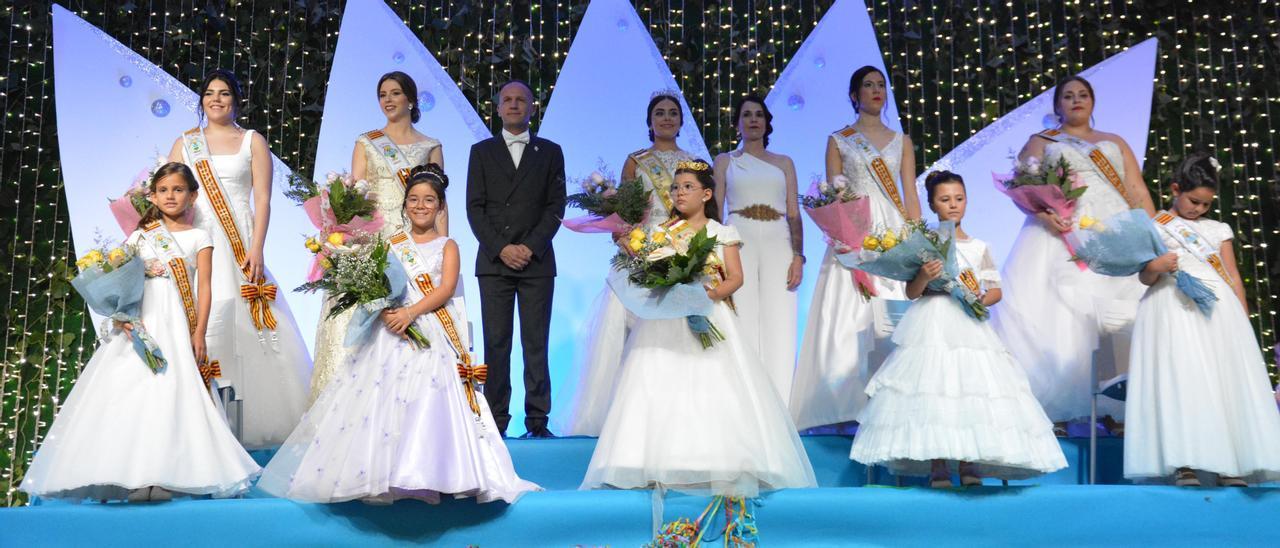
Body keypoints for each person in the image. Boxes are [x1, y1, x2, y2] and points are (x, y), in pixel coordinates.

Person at [259, 165, 539, 503]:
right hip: (390, 327)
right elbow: (383, 284)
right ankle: (379, 474)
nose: (421, 206)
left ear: (440, 206)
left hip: (429, 324)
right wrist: (388, 310)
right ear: (405, 205)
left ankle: (432, 473)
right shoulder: (390, 243)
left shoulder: (448, 245)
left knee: (427, 394)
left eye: (429, 200)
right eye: (414, 200)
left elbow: (446, 288)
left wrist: (410, 313)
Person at [20, 163, 259, 502]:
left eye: (178, 190)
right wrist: (119, 311)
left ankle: (164, 474)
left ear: (192, 195)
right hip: (139, 322)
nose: (170, 196)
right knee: (127, 388)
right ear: (153, 195)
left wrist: (200, 332)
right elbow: (122, 276)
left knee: (169, 389)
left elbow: (204, 287)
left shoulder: (199, 238)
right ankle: (125, 474)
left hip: (174, 321)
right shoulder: (138, 236)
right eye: (163, 190)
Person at [581, 160, 816, 497]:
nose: (679, 193)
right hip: (665, 319)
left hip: (709, 314)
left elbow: (736, 277)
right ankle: (645, 459)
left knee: (714, 384)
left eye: (688, 187)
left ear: (706, 194)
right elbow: (648, 272)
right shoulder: (661, 233)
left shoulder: (722, 232)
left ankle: (718, 458)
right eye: (675, 188)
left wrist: (708, 295)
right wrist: (632, 252)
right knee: (657, 381)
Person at [849, 171, 1066, 487]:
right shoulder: (925, 244)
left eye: (959, 198)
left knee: (971, 390)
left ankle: (970, 462)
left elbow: (995, 290)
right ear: (933, 205)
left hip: (968, 324)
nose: (953, 205)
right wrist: (924, 274)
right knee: (936, 391)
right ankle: (938, 463)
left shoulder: (979, 246)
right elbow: (912, 292)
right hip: (933, 322)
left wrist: (979, 296)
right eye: (945, 199)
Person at [990, 75, 1155, 433]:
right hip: (1061, 234)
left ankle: (1116, 409)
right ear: (1057, 106)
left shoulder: (1113, 142)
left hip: (1112, 232)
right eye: (1068, 96)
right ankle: (1057, 409)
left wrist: (1154, 235)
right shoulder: (1043, 141)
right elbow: (1023, 187)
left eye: (1083, 94)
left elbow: (1137, 191)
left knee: (1114, 316)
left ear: (1093, 102)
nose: (1076, 100)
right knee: (1062, 316)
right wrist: (1044, 215)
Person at [168, 69, 312, 449]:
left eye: (225, 93)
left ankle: (246, 426)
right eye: (210, 93)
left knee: (245, 327)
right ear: (201, 100)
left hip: (239, 242)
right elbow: (168, 192)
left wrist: (257, 246)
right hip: (196, 241)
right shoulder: (185, 143)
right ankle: (200, 424)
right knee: (201, 321)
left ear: (236, 100)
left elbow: (262, 198)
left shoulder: (252, 141)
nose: (216, 99)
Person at [1124, 153, 1280, 487]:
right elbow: (1144, 277)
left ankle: (1231, 462)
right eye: (1194, 201)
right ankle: (1185, 462)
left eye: (1206, 204)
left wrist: (1241, 314)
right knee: (1183, 380)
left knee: (1223, 381)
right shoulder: (1154, 226)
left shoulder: (1217, 229)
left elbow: (1232, 275)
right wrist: (1157, 266)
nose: (1199, 209)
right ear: (1175, 189)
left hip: (1217, 310)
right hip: (1170, 307)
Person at [554, 91, 695, 436]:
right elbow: (626, 211)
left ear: (681, 120)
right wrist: (625, 239)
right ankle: (626, 413)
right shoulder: (636, 160)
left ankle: (677, 410)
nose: (666, 118)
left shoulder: (693, 161)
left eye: (673, 113)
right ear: (649, 122)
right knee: (628, 330)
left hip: (683, 247)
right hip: (641, 249)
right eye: (659, 113)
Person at [790, 65, 921, 430]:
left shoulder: (901, 141)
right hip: (855, 227)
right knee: (848, 312)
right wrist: (844, 234)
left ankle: (895, 400)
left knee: (892, 311)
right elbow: (836, 193)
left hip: (893, 231)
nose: (876, 90)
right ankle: (844, 404)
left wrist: (919, 239)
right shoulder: (839, 139)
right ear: (854, 95)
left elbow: (910, 192)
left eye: (881, 85)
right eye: (868, 85)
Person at [310, 71, 445, 400]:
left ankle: (407, 400)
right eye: (382, 94)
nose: (388, 99)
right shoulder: (367, 142)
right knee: (362, 316)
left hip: (412, 237)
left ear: (410, 99)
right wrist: (347, 242)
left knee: (410, 313)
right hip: (370, 240)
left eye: (395, 93)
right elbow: (354, 197)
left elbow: (441, 202)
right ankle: (349, 403)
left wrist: (441, 248)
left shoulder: (431, 145)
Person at [465, 80, 566, 438]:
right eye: (506, 100)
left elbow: (556, 206)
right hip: (494, 263)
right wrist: (502, 248)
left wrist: (531, 247)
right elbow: (474, 209)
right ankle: (495, 421)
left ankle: (538, 422)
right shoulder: (481, 151)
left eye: (520, 100)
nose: (513, 105)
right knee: (496, 342)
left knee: (536, 342)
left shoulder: (551, 151)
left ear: (532, 108)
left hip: (537, 262)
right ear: (497, 108)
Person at [713, 94, 803, 402]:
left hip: (779, 239)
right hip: (740, 238)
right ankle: (745, 398)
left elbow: (793, 212)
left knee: (781, 316)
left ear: (767, 123)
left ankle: (781, 399)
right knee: (742, 315)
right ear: (737, 124)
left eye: (759, 115)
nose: (754, 120)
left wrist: (798, 256)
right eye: (747, 115)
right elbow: (716, 208)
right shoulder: (726, 161)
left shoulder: (784, 162)